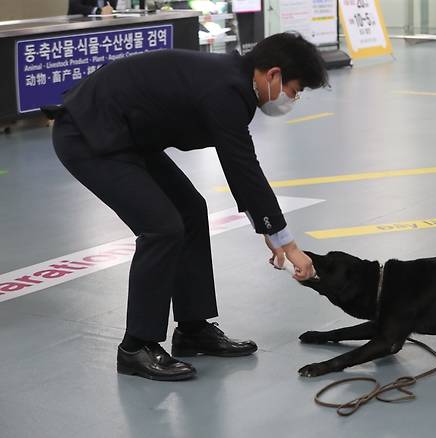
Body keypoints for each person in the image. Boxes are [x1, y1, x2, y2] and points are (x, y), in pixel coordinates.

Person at [47, 32, 328, 381]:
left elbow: (243, 171)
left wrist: (271, 232)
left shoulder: (232, 79)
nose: (292, 99)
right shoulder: (227, 90)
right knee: (162, 227)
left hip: (129, 136)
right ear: (273, 74)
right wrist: (287, 242)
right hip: (88, 136)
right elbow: (243, 167)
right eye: (294, 90)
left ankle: (193, 329)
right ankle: (137, 346)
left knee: (191, 211)